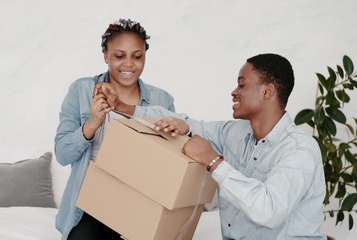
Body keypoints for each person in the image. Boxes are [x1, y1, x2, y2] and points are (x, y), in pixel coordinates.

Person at [97, 53, 327, 239]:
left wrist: (214, 161)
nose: (234, 92)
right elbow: (188, 122)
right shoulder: (235, 133)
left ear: (267, 92)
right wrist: (125, 107)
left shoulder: (299, 149)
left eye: (241, 85)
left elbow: (269, 211)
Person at [54, 18, 176, 240]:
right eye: (119, 56)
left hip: (140, 201)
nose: (129, 64)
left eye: (137, 56)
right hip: (90, 204)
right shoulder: (82, 90)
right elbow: (62, 154)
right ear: (106, 56)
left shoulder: (162, 100)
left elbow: (169, 162)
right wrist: (92, 124)